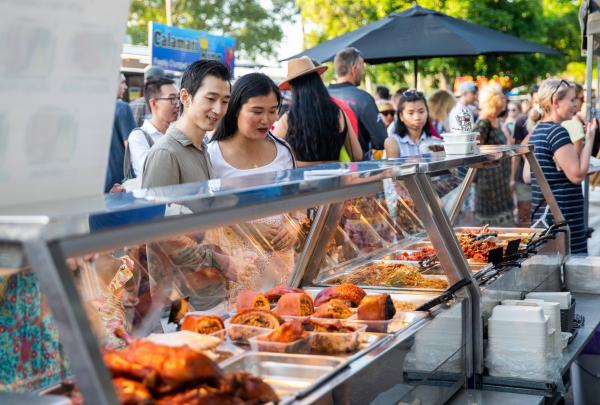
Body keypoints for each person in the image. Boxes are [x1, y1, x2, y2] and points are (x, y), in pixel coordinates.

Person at [207, 73, 299, 296]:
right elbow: (208, 212)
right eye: (257, 112)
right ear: (235, 108)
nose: (267, 120)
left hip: (280, 261)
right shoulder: (212, 154)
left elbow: (297, 200)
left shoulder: (283, 151)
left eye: (273, 110)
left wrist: (293, 226)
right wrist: (246, 227)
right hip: (237, 267)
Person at [526, 79, 597, 254]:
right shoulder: (557, 132)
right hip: (562, 217)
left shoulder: (538, 130)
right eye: (572, 100)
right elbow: (577, 175)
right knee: (569, 273)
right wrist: (590, 138)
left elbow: (527, 176)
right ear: (556, 102)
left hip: (549, 214)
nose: (575, 105)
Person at [142, 59, 231, 189]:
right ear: (184, 97)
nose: (218, 110)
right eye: (211, 99)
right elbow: (156, 209)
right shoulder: (165, 154)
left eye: (225, 101)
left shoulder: (202, 146)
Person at [272, 56, 362, 165]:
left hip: (301, 180)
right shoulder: (339, 114)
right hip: (336, 179)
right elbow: (357, 155)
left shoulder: (288, 119)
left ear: (293, 88)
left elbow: (273, 157)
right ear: (318, 81)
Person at [328, 48, 387, 159]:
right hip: (359, 167)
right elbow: (381, 140)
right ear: (354, 69)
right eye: (362, 68)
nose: (363, 72)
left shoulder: (321, 96)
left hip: (327, 167)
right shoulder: (363, 98)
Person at [473, 84, 514, 226]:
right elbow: (474, 152)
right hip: (488, 183)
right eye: (501, 97)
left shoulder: (496, 120)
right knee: (491, 228)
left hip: (500, 181)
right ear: (494, 101)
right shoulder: (484, 122)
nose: (504, 100)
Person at [127, 77, 179, 179]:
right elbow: (152, 171)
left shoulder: (180, 132)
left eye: (178, 98)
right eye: (172, 98)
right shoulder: (138, 136)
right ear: (154, 103)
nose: (177, 104)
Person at [384, 89, 441, 158]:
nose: (417, 117)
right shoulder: (393, 142)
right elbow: (391, 168)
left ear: (427, 113)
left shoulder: (436, 143)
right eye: (410, 113)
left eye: (421, 112)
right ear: (401, 116)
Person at [105, 73, 136, 193]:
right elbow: (132, 149)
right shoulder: (122, 108)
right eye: (122, 82)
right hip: (121, 183)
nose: (126, 87)